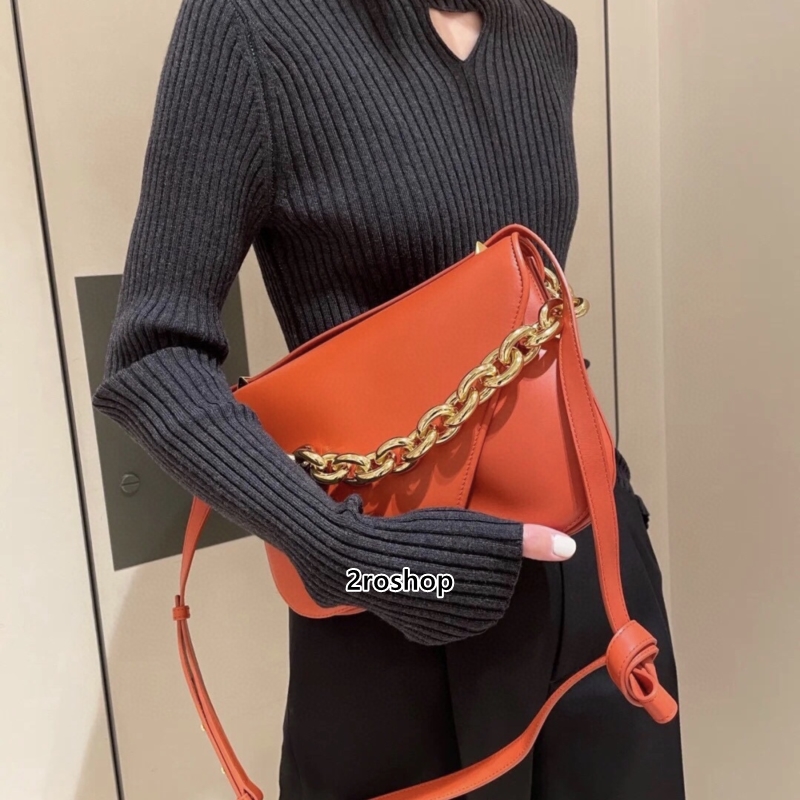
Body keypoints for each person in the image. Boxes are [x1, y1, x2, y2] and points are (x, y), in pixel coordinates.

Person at [92, 0, 685, 797]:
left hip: (592, 577)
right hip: (394, 599)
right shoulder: (252, 26)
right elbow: (153, 354)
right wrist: (355, 559)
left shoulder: (547, 36)